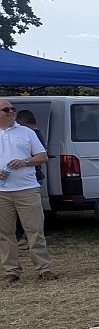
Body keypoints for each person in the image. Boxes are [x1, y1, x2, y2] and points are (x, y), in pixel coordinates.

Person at [0, 98, 54, 281]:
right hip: (2, 192)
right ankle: (11, 271)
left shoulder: (27, 132)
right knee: (5, 232)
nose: (11, 112)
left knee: (35, 230)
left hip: (27, 189)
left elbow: (43, 157)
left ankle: (44, 269)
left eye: (12, 109)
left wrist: (24, 162)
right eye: (6, 110)